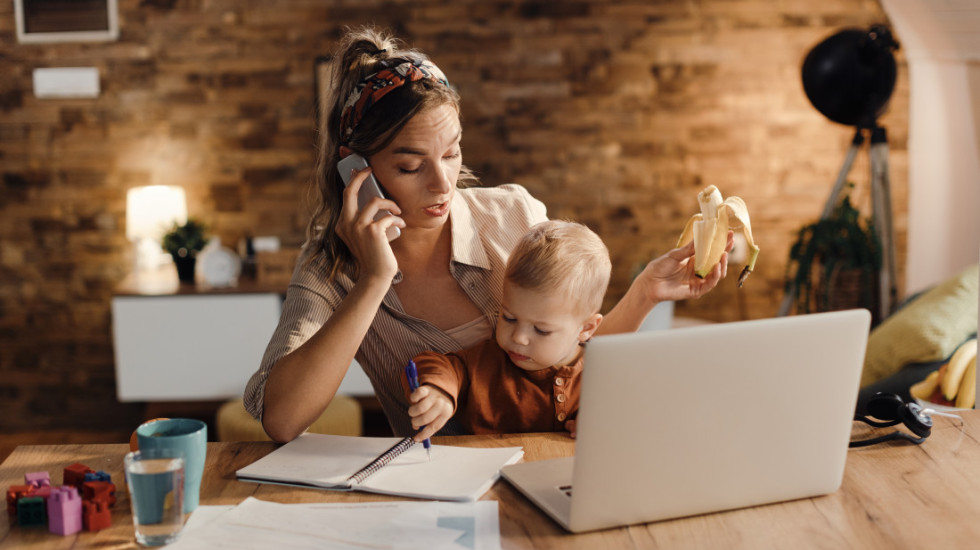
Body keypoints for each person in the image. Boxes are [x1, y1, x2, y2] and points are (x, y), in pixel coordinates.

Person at [243, 26, 731, 443]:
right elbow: (282, 421)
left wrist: (645, 291)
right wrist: (373, 280)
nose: (442, 183)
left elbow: (576, 351)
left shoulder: (514, 215)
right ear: (357, 169)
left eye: (452, 153)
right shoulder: (328, 265)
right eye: (411, 166)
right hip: (435, 490)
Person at [407, 220, 610, 439]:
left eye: (541, 330)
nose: (519, 338)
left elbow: (633, 417)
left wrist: (604, 421)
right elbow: (433, 364)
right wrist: (440, 391)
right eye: (509, 318)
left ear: (586, 328)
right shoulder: (486, 363)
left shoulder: (603, 376)